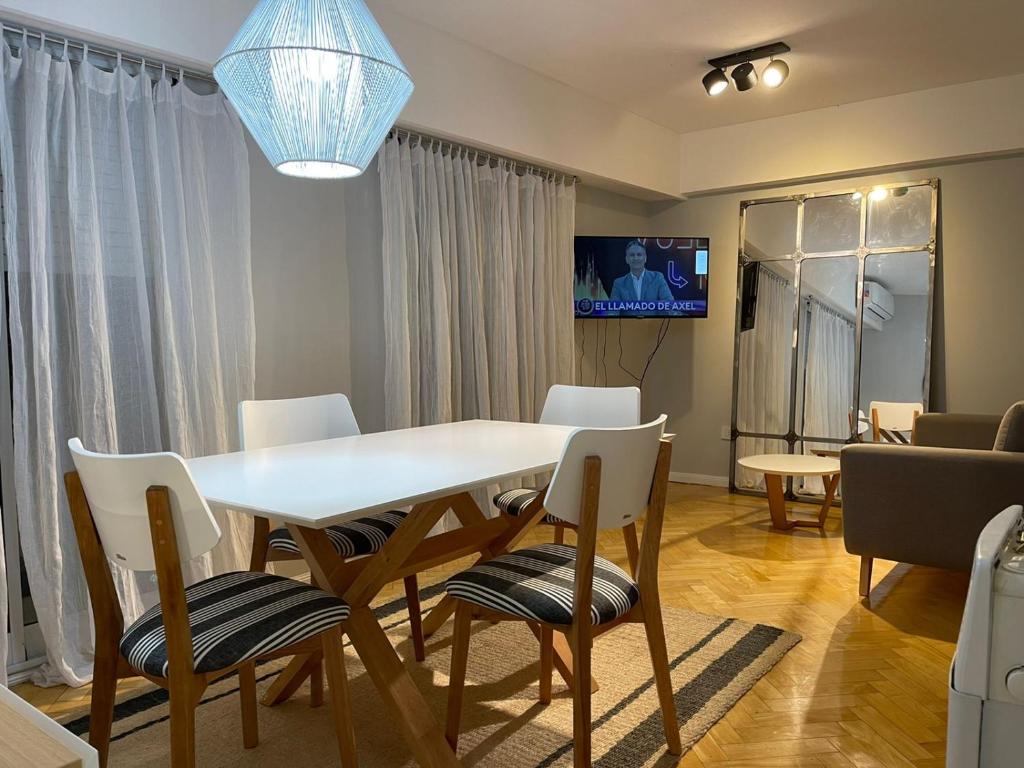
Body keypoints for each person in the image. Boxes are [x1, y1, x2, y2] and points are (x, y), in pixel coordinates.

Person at [610, 240, 674, 303]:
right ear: (627, 259)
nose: (636, 258)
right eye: (632, 255)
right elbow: (613, 309)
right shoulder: (619, 283)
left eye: (639, 255)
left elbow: (669, 303)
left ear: (645, 258)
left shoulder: (657, 278)